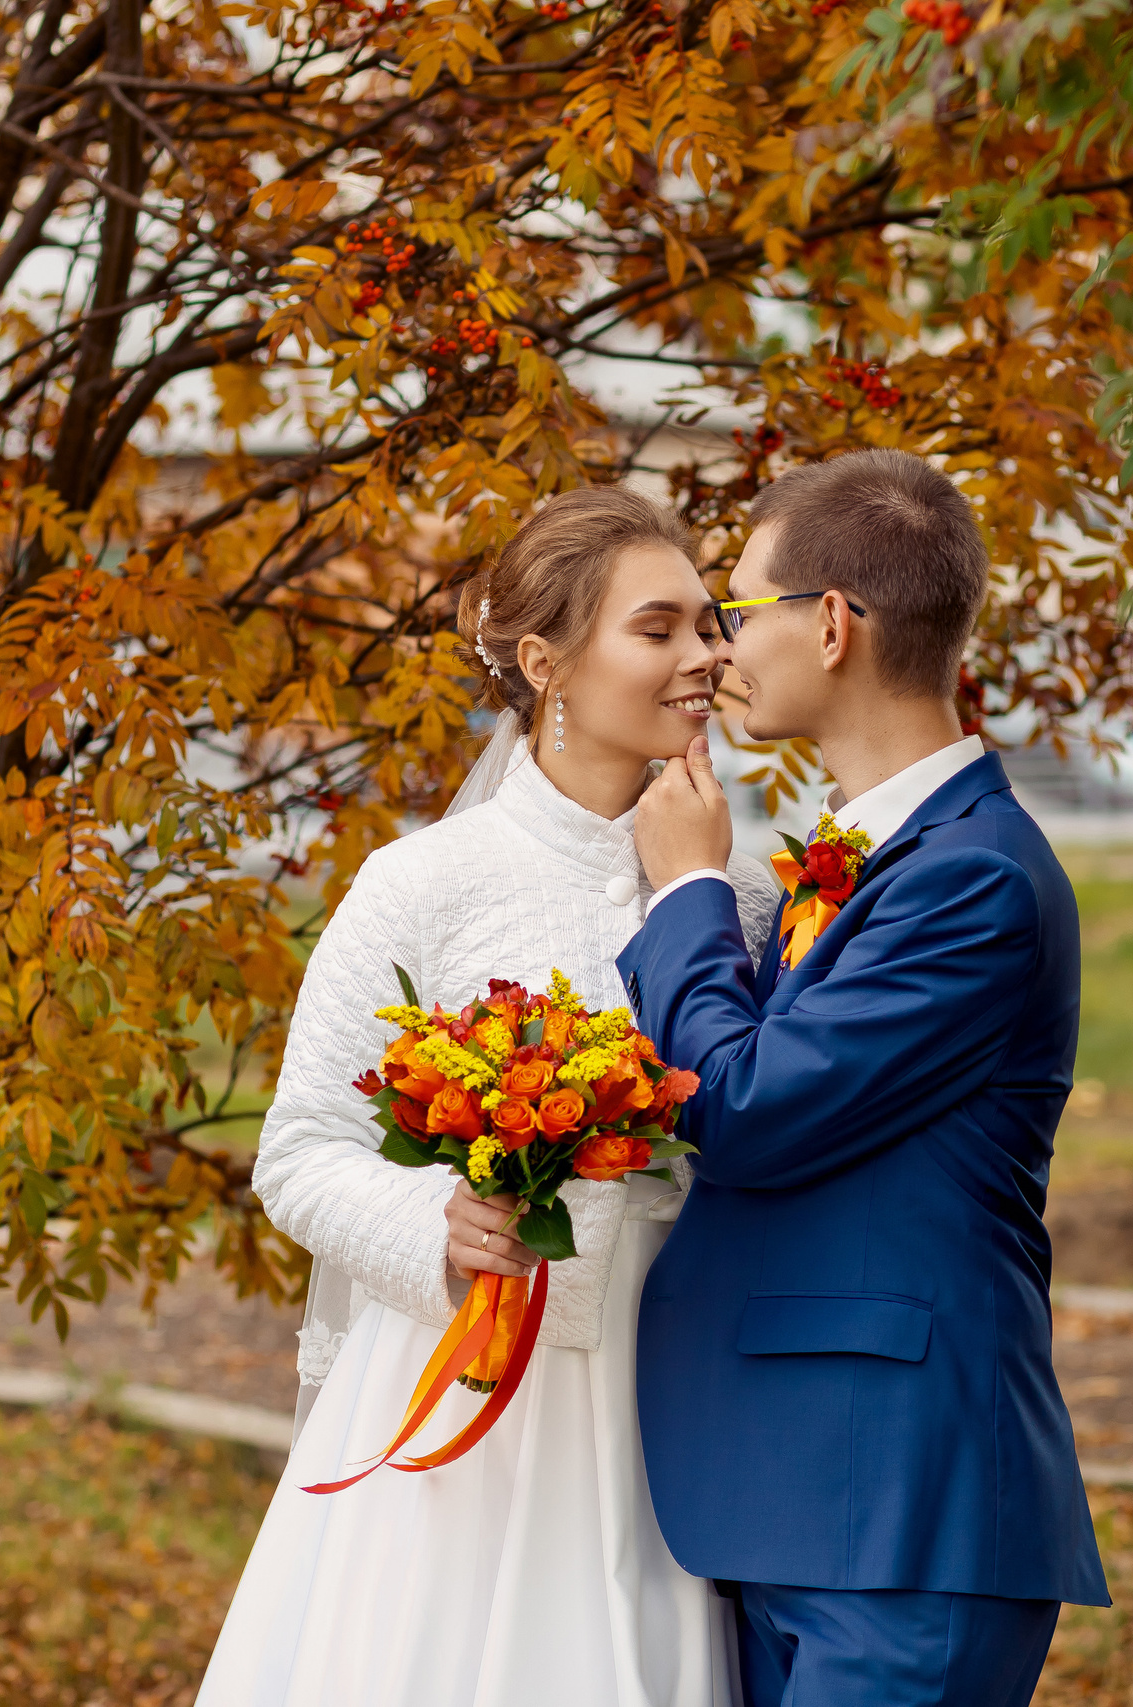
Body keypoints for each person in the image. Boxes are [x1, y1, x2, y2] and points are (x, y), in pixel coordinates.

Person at [194, 488, 778, 1707]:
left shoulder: (751, 898)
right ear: (543, 661)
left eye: (712, 624)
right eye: (659, 628)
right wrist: (440, 1231)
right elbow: (300, 1149)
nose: (707, 656)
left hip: (668, 1398)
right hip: (465, 1394)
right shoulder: (426, 883)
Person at [619, 449, 1110, 1707]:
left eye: (738, 610)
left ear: (829, 623)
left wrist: (680, 889)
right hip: (795, 1495)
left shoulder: (973, 880)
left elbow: (743, 1112)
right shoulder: (864, 858)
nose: (719, 648)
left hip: (899, 1513)